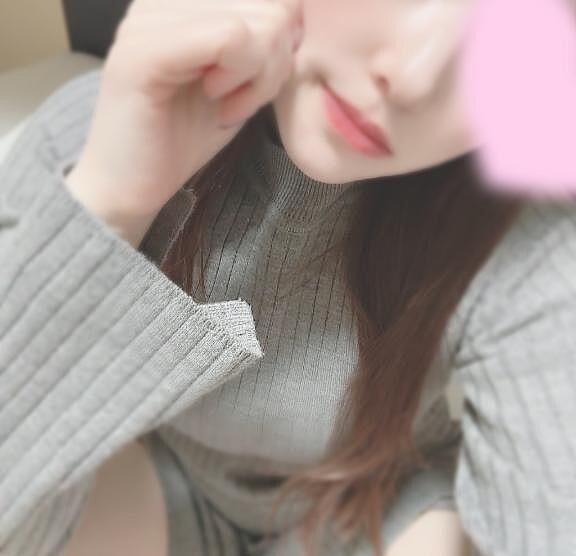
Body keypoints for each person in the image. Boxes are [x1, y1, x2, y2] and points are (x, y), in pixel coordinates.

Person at [1, 0, 575, 555]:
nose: (413, 79)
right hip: (167, 475)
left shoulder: (528, 242)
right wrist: (110, 203)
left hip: (365, 504)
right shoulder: (98, 131)